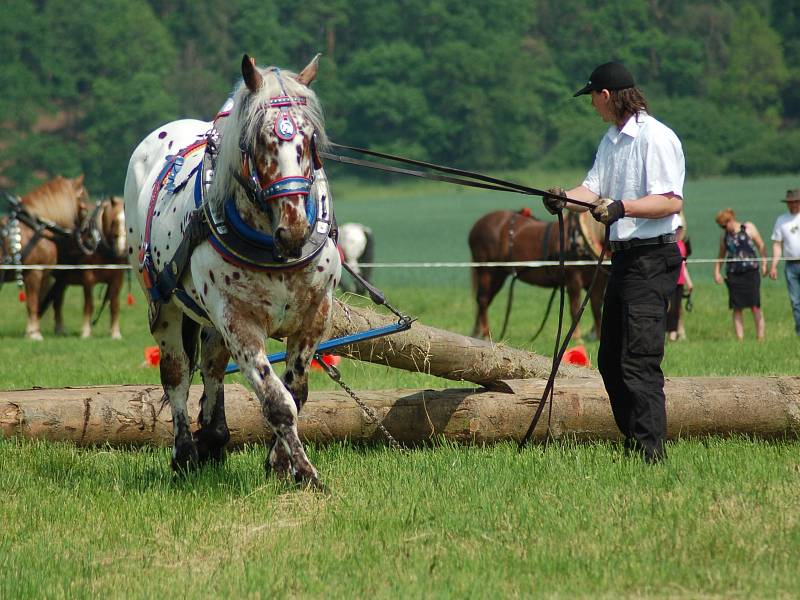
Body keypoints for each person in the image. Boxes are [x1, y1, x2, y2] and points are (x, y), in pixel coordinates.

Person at [543, 61, 685, 464]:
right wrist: (563, 198)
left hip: (653, 258)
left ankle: (650, 453)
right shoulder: (611, 141)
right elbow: (592, 190)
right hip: (623, 261)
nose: (592, 105)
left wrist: (622, 208)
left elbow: (670, 201)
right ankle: (634, 441)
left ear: (606, 95)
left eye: (592, 97)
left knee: (639, 361)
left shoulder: (655, 138)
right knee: (609, 360)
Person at [713, 208, 767, 340]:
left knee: (755, 305)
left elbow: (761, 245)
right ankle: (740, 339)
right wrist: (717, 272)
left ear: (731, 220)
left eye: (725, 225)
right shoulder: (724, 236)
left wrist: (764, 263)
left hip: (751, 273)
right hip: (734, 275)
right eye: (722, 226)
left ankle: (760, 338)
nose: (724, 228)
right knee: (737, 308)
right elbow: (721, 256)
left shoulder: (749, 228)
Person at [769, 189, 800, 336]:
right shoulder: (781, 220)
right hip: (791, 265)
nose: (793, 205)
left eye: (795, 202)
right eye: (790, 202)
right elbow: (777, 244)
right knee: (795, 301)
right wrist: (774, 265)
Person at [666, 226, 693, 341]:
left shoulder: (682, 244)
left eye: (681, 229)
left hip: (680, 280)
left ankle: (673, 334)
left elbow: (683, 265)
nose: (680, 231)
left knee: (676, 308)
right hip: (670, 280)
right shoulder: (670, 244)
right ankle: (668, 333)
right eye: (678, 229)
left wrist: (689, 282)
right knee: (669, 308)